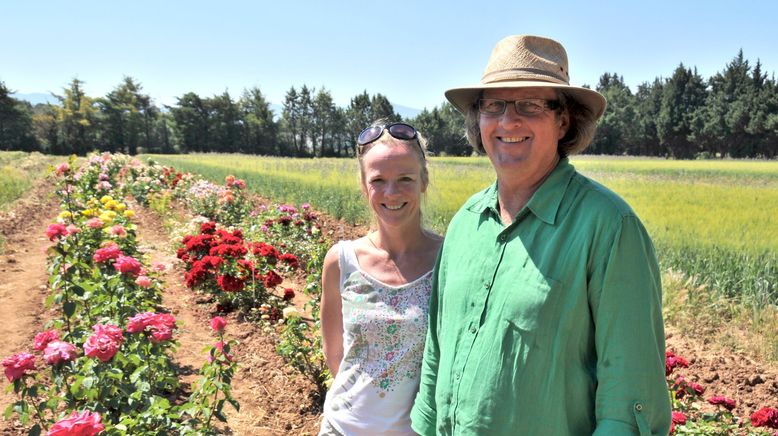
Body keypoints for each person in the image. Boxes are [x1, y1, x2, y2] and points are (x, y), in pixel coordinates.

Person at [410, 35, 671, 435]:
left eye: (530, 105)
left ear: (563, 119)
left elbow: (630, 398)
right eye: (492, 105)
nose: (507, 121)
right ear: (477, 120)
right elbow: (437, 352)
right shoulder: (466, 221)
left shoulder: (609, 227)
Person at [319, 120, 443, 435]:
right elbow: (335, 357)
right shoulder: (341, 261)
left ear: (423, 181)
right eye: (378, 180)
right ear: (364, 185)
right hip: (342, 428)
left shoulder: (448, 259)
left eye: (405, 178)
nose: (392, 192)